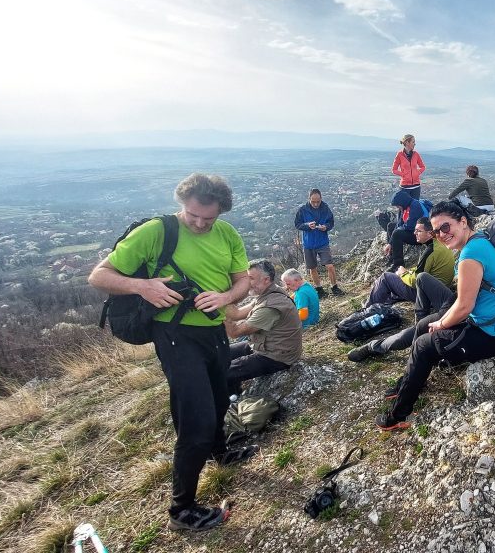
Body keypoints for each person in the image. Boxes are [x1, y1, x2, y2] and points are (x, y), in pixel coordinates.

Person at [88, 173, 252, 532]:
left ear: (220, 212)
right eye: (192, 214)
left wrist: (225, 297)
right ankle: (182, 509)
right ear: (183, 203)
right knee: (196, 417)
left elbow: (242, 280)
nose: (199, 223)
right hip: (176, 334)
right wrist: (141, 286)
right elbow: (99, 276)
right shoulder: (156, 232)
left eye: (208, 218)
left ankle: (218, 450)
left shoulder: (227, 234)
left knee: (220, 398)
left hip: (214, 331)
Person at [376, 202, 495, 431]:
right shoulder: (479, 241)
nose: (441, 235)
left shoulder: (470, 254)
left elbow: (465, 306)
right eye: (436, 231)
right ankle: (409, 381)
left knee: (424, 345)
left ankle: (397, 416)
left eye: (445, 228)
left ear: (463, 222)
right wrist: (438, 321)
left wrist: (442, 323)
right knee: (424, 325)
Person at [223, 259, 302, 396]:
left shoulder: (270, 306)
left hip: (276, 357)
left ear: (266, 280)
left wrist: (217, 312)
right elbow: (237, 314)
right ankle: (234, 392)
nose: (247, 283)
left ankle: (232, 398)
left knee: (222, 372)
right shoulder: (268, 293)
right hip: (267, 345)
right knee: (221, 354)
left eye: (251, 279)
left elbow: (234, 332)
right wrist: (223, 299)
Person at [348, 271, 456, 362]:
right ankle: (419, 323)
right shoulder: (466, 254)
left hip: (460, 313)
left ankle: (372, 347)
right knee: (422, 277)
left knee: (404, 337)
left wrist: (404, 272)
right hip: (456, 301)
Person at [364, 216, 455, 307]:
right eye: (415, 230)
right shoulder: (440, 244)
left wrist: (403, 273)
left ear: (430, 234)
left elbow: (416, 281)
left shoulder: (431, 251)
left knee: (385, 278)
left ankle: (367, 310)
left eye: (419, 231)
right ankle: (382, 304)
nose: (415, 233)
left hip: (428, 296)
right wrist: (408, 271)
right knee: (394, 284)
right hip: (440, 291)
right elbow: (423, 269)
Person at [293, 189, 344, 297]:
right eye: (313, 201)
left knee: (329, 266)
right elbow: (297, 224)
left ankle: (334, 287)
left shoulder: (325, 208)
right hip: (309, 243)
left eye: (318, 201)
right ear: (309, 199)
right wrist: (307, 226)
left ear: (321, 199)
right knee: (312, 267)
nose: (316, 204)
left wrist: (326, 227)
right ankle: (319, 289)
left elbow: (331, 222)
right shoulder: (303, 210)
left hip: (322, 242)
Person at [384, 190, 431, 270]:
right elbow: (399, 223)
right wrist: (390, 243)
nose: (397, 207)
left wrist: (398, 230)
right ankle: (392, 254)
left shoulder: (415, 206)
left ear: (402, 202)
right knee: (391, 226)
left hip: (421, 236)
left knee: (397, 233)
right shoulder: (405, 207)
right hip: (414, 231)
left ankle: (398, 265)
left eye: (398, 205)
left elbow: (410, 225)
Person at [392, 134, 426, 200]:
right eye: (413, 142)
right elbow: (394, 170)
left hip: (416, 186)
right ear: (407, 142)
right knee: (404, 208)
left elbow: (423, 167)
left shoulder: (416, 154)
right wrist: (404, 175)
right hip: (404, 187)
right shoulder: (399, 154)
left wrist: (417, 173)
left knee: (415, 207)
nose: (414, 144)